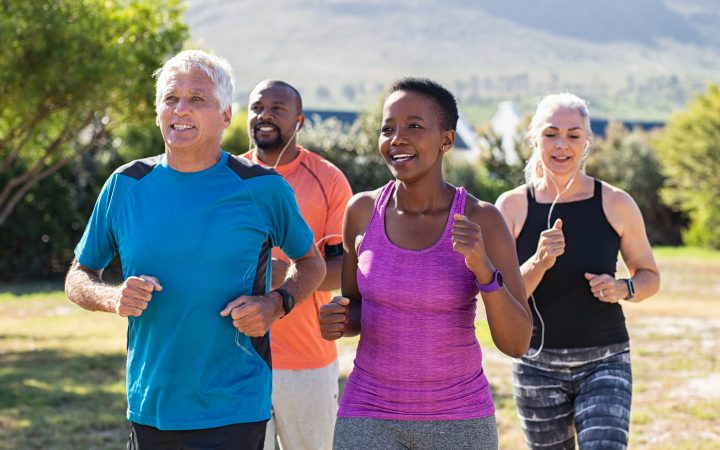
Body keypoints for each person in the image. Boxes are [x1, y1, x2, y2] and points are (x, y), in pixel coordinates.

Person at [64, 50, 326, 450]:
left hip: (236, 404)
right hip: (152, 403)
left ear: (225, 116)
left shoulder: (263, 188)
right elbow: (77, 276)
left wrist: (275, 305)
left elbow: (312, 264)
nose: (180, 109)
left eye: (197, 99)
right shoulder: (125, 185)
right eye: (171, 98)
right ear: (158, 113)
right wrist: (113, 296)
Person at [318, 78, 533, 450]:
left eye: (414, 126)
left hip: (459, 419)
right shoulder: (361, 211)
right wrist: (339, 317)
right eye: (388, 129)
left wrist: (483, 270)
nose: (397, 138)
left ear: (446, 140)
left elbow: (516, 342)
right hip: (368, 413)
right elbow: (355, 307)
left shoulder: (483, 219)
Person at [495, 93, 661, 450]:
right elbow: (500, 297)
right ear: (535, 139)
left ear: (587, 142)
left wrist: (623, 288)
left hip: (605, 359)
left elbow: (650, 275)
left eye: (573, 135)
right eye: (551, 134)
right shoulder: (511, 207)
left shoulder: (616, 202)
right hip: (536, 363)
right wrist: (538, 261)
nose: (561, 145)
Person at [241, 80, 353, 450]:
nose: (265, 116)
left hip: (306, 359)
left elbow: (346, 267)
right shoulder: (226, 177)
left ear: (299, 120)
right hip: (235, 358)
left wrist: (288, 274)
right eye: (257, 107)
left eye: (277, 108)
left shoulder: (329, 180)